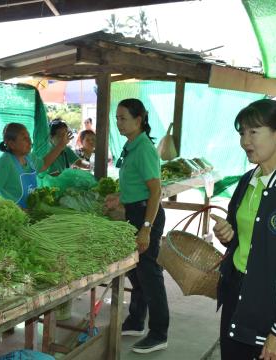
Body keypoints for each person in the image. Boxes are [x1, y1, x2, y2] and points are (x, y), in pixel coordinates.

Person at [210, 99, 276, 360]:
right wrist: (229, 236)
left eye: (253, 132)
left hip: (271, 313)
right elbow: (246, 238)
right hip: (237, 301)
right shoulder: (247, 181)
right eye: (241, 133)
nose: (245, 141)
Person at [104, 98, 169, 354]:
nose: (118, 123)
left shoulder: (143, 148)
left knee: (150, 274)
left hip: (146, 214)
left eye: (123, 118)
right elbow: (137, 184)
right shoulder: (131, 145)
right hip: (134, 210)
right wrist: (120, 196)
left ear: (139, 120)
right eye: (117, 118)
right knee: (137, 271)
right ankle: (135, 320)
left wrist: (145, 228)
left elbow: (155, 192)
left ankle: (159, 332)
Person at [0, 122, 70, 208]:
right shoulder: (6, 162)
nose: (30, 141)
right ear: (11, 144)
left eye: (29, 137)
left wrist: (61, 146)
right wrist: (9, 208)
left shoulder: (29, 157)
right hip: (14, 217)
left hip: (28, 212)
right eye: (24, 138)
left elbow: (44, 165)